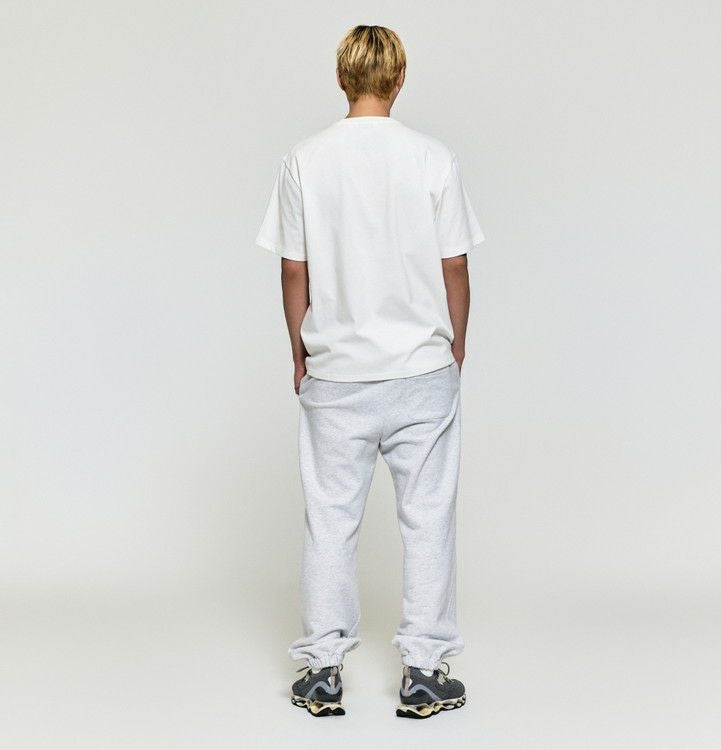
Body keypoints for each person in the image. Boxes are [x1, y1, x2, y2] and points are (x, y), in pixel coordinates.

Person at [255, 24, 484, 719]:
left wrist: (299, 349)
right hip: (421, 369)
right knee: (428, 519)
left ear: (341, 77)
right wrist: (456, 342)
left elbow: (293, 269)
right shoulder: (434, 158)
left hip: (336, 373)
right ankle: (425, 672)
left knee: (330, 521)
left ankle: (322, 670)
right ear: (400, 78)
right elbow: (454, 264)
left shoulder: (304, 160)